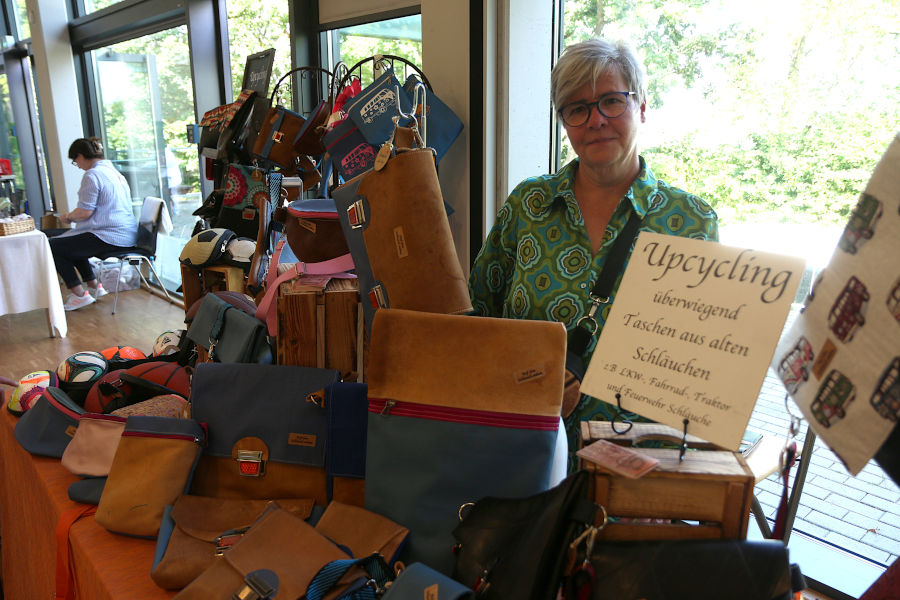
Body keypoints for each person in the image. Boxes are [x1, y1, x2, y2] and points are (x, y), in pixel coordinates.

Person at [468, 38, 719, 458]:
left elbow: (698, 356)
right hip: (526, 453)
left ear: (641, 107)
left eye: (611, 101)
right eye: (577, 108)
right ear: (564, 121)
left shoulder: (690, 222)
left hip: (638, 459)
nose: (596, 119)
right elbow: (482, 311)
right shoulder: (529, 205)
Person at [49, 137, 137, 311]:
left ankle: (79, 294)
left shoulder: (92, 175)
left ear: (81, 156)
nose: (78, 165)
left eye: (75, 161)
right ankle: (94, 285)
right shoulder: (114, 172)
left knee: (51, 246)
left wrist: (67, 217)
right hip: (126, 233)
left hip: (110, 235)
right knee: (73, 243)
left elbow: (84, 212)